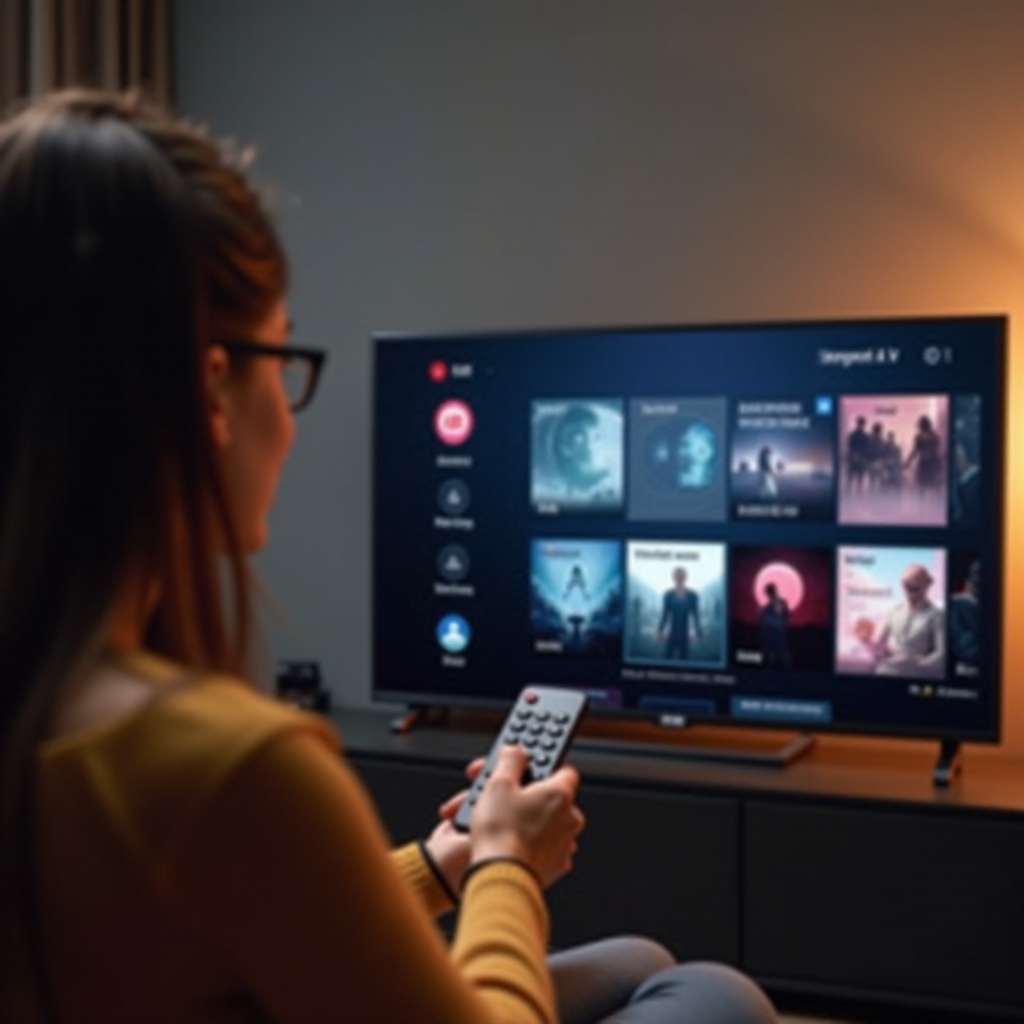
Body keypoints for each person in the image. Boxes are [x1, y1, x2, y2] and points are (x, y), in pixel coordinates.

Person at [0, 90, 778, 1024]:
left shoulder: (48, 710)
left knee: (641, 960)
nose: (290, 416)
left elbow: (226, 921)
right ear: (210, 390)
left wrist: (441, 866)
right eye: (282, 360)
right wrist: (506, 867)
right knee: (717, 993)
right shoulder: (228, 769)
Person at [872, 564, 945, 678]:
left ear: (928, 584)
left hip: (919, 675)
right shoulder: (894, 611)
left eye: (915, 586)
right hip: (889, 671)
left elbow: (941, 655)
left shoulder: (937, 615)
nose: (910, 590)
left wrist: (913, 664)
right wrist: (881, 655)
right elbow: (879, 643)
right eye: (906, 585)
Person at [657, 566, 704, 661]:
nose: (679, 579)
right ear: (673, 578)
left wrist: (699, 632)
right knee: (667, 659)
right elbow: (665, 615)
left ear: (685, 578)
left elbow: (695, 616)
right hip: (672, 633)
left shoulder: (693, 596)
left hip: (684, 634)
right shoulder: (668, 595)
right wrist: (660, 630)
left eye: (681, 577)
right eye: (677, 577)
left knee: (684, 660)